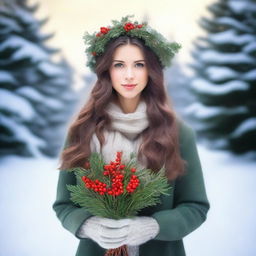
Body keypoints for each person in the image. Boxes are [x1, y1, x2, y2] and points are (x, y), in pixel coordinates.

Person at [52, 15, 210, 256]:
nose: (129, 75)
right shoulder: (82, 131)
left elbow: (196, 207)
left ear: (151, 71)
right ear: (106, 71)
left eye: (139, 64)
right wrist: (87, 225)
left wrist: (153, 226)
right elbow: (64, 205)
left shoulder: (178, 133)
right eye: (119, 65)